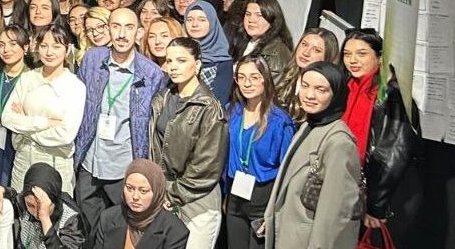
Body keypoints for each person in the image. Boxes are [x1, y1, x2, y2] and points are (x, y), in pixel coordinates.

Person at [74, 7, 168, 229]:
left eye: (129, 27)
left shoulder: (152, 74)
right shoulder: (92, 59)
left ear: (139, 32)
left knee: (122, 231)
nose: (122, 34)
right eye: (116, 26)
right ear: (108, 29)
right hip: (89, 161)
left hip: (124, 168)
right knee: (89, 230)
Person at [262, 63, 361, 249]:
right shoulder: (309, 125)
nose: (309, 95)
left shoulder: (339, 143)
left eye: (320, 89)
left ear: (336, 94)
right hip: (287, 235)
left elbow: (333, 216)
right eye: (305, 86)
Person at [149, 38, 226, 249]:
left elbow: (207, 167)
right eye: (169, 61)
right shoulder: (163, 97)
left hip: (197, 198)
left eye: (181, 60)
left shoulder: (209, 107)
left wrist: (173, 195)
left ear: (197, 64)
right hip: (165, 192)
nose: (173, 67)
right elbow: (155, 147)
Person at [339, 29, 417, 230]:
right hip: (343, 183)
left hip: (370, 191)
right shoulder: (347, 86)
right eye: (347, 54)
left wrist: (376, 204)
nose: (353, 60)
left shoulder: (391, 94)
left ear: (379, 57)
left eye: (361, 54)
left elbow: (395, 152)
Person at [1, 22, 86, 194]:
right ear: (37, 48)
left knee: (54, 208)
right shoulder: (27, 78)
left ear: (67, 49)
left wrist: (25, 126)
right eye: (44, 46)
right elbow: (7, 118)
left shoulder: (75, 86)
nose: (49, 52)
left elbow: (65, 134)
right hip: (23, 158)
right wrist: (45, 122)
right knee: (21, 206)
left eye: (56, 46)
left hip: (55, 161)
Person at [221, 56, 294, 249]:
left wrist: (275, 212)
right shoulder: (231, 112)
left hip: (263, 195)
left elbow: (287, 172)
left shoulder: (280, 121)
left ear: (265, 79)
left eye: (254, 77)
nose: (247, 83)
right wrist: (226, 194)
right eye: (242, 77)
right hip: (235, 192)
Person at [87, 159, 189, 249]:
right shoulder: (108, 218)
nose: (135, 197)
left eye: (143, 191)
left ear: (157, 192)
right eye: (130, 188)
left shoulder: (175, 231)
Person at [0, 26, 29, 188]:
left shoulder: (31, 78)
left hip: (17, 142)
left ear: (25, 47)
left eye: (12, 44)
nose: (6, 50)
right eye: (1, 45)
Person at [275, 27, 341, 122]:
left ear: (327, 57)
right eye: (304, 45)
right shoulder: (285, 75)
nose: (306, 53)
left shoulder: (325, 90)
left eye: (316, 50)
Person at [16, 163, 87, 249]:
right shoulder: (23, 204)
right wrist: (3, 191)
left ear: (54, 201)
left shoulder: (71, 221)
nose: (36, 214)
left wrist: (45, 219)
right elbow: (12, 197)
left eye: (41, 206)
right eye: (30, 205)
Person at [237, 0, 293, 90]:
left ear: (272, 20)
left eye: (259, 15)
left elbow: (270, 92)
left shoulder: (276, 55)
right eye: (248, 14)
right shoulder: (247, 41)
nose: (251, 20)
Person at [183, 0, 233, 104]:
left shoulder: (222, 61)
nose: (194, 24)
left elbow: (219, 101)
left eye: (202, 20)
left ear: (212, 22)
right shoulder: (179, 51)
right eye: (189, 19)